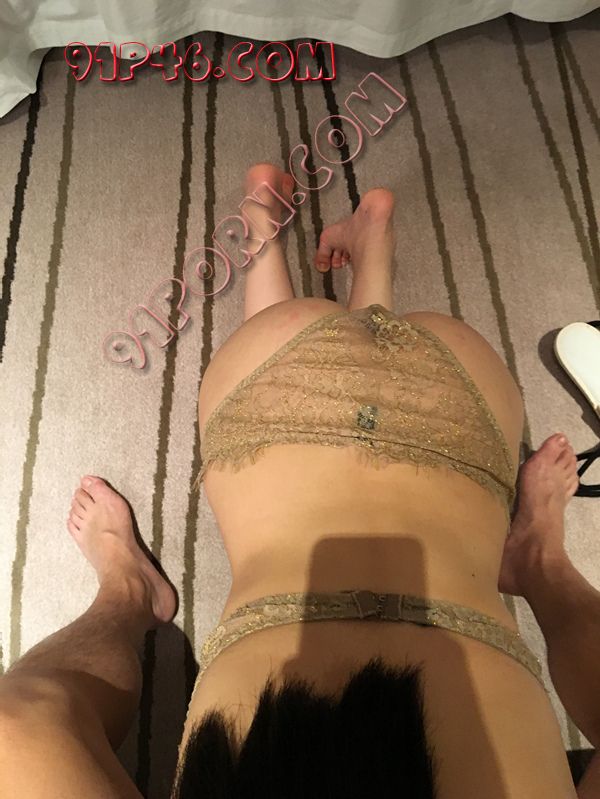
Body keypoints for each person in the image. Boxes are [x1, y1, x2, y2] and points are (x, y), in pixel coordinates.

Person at [0, 162, 598, 798]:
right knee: (296, 360)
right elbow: (21, 730)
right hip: (287, 381)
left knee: (340, 367)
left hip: (459, 385)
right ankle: (271, 232)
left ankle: (366, 244)